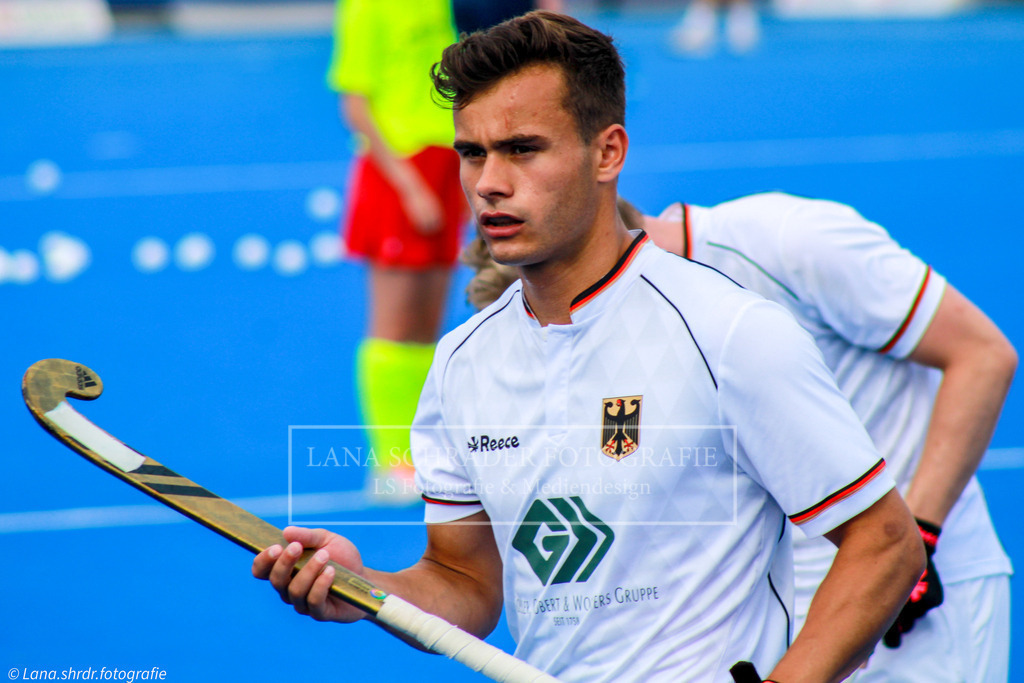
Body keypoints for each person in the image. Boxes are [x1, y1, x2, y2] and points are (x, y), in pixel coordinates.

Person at [255, 12, 924, 681]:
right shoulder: (460, 364)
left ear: (607, 153)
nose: (489, 181)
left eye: (522, 149)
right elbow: (464, 582)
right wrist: (367, 588)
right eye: (472, 152)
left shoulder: (728, 331)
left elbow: (886, 544)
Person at [465, 193, 1017, 682]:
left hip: (924, 603)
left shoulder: (788, 241)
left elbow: (983, 355)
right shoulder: (620, 338)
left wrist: (922, 531)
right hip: (794, 618)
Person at [326, 0, 467, 500]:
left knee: (430, 322)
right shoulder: (364, 7)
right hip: (398, 172)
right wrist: (408, 185)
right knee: (395, 322)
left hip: (445, 163)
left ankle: (423, 448)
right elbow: (356, 106)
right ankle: (390, 461)